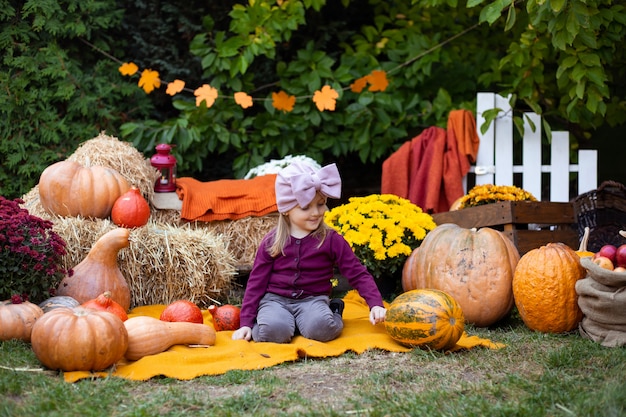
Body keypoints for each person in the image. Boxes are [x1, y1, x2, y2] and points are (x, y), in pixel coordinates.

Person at [232, 161, 387, 343]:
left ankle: (334, 310)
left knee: (322, 330)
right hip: (275, 300)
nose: (316, 213)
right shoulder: (272, 242)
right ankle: (274, 321)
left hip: (312, 300)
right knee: (273, 333)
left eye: (321, 204)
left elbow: (357, 272)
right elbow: (256, 282)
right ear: (286, 210)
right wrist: (246, 323)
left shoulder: (331, 239)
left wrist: (375, 304)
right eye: (306, 207)